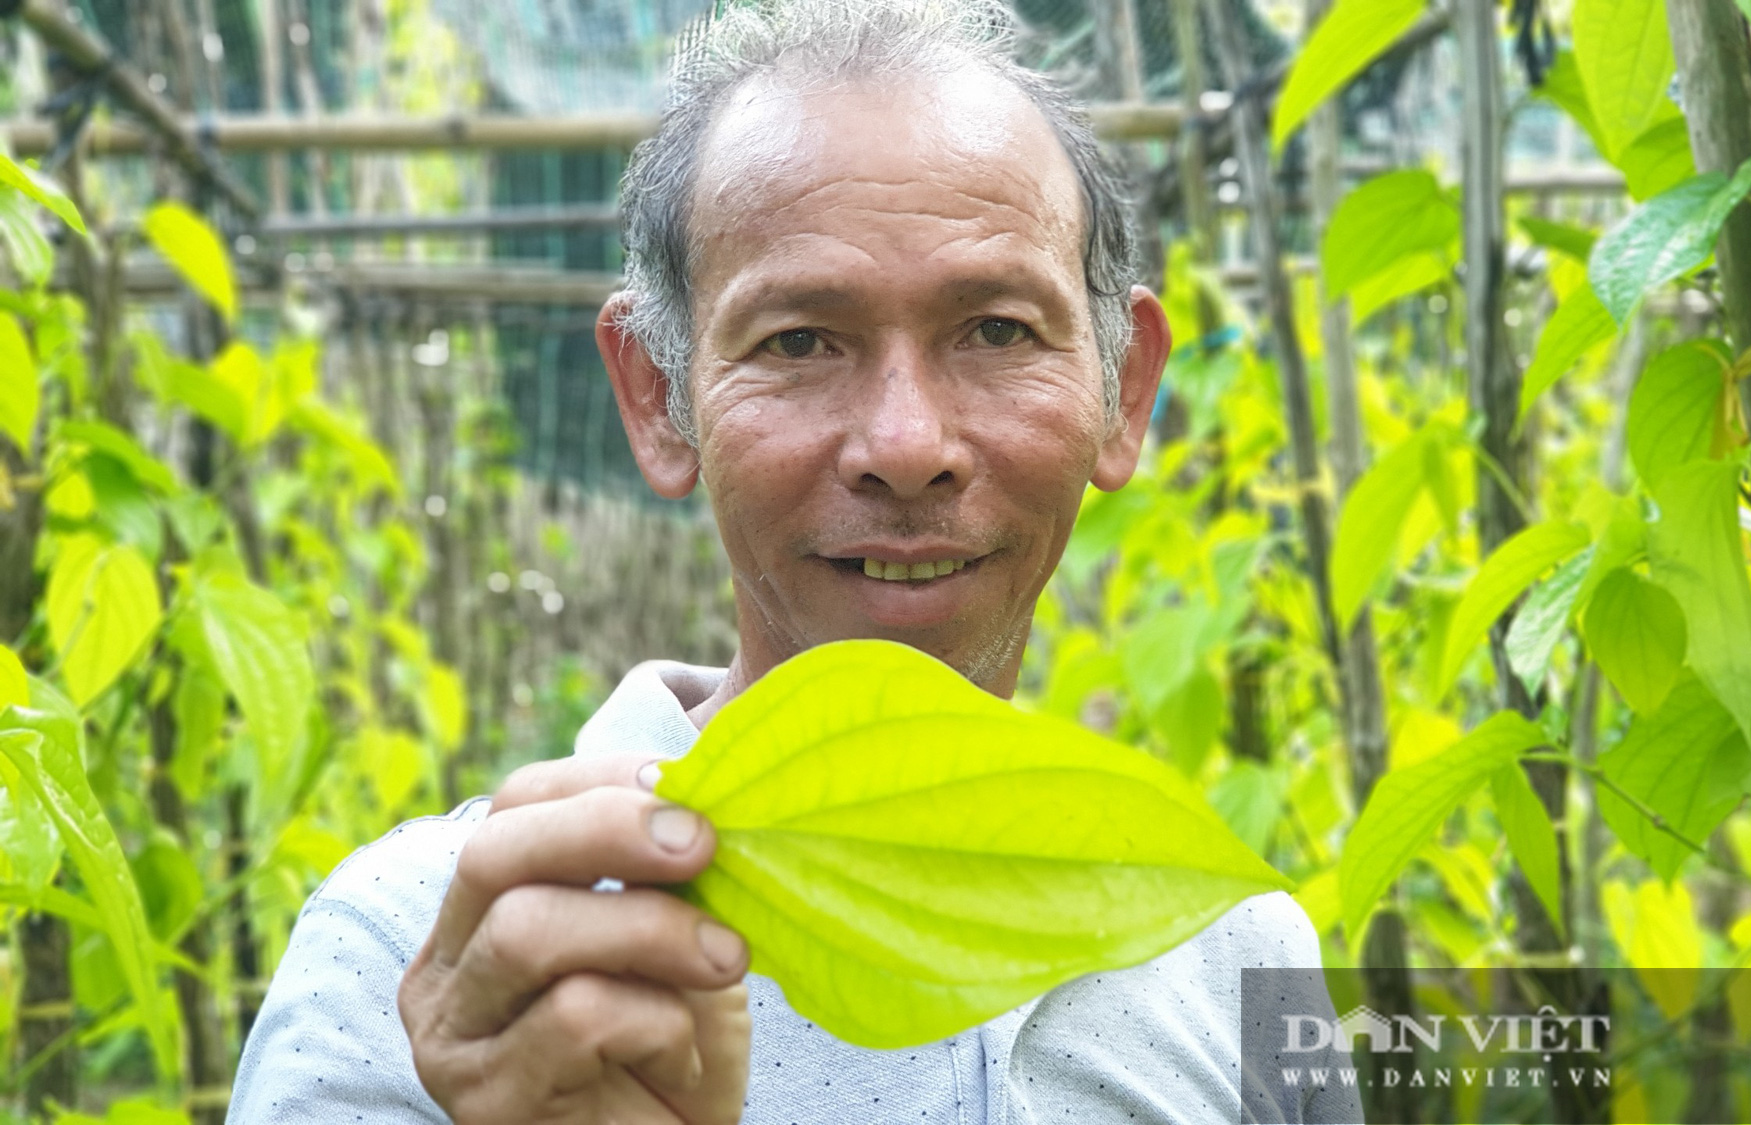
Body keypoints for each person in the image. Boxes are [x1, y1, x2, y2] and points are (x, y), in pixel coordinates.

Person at [227, 0, 1358, 1121]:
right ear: (658, 399)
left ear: (1123, 392)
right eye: (798, 341)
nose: (906, 447)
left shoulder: (1231, 948)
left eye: (998, 330)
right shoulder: (426, 969)